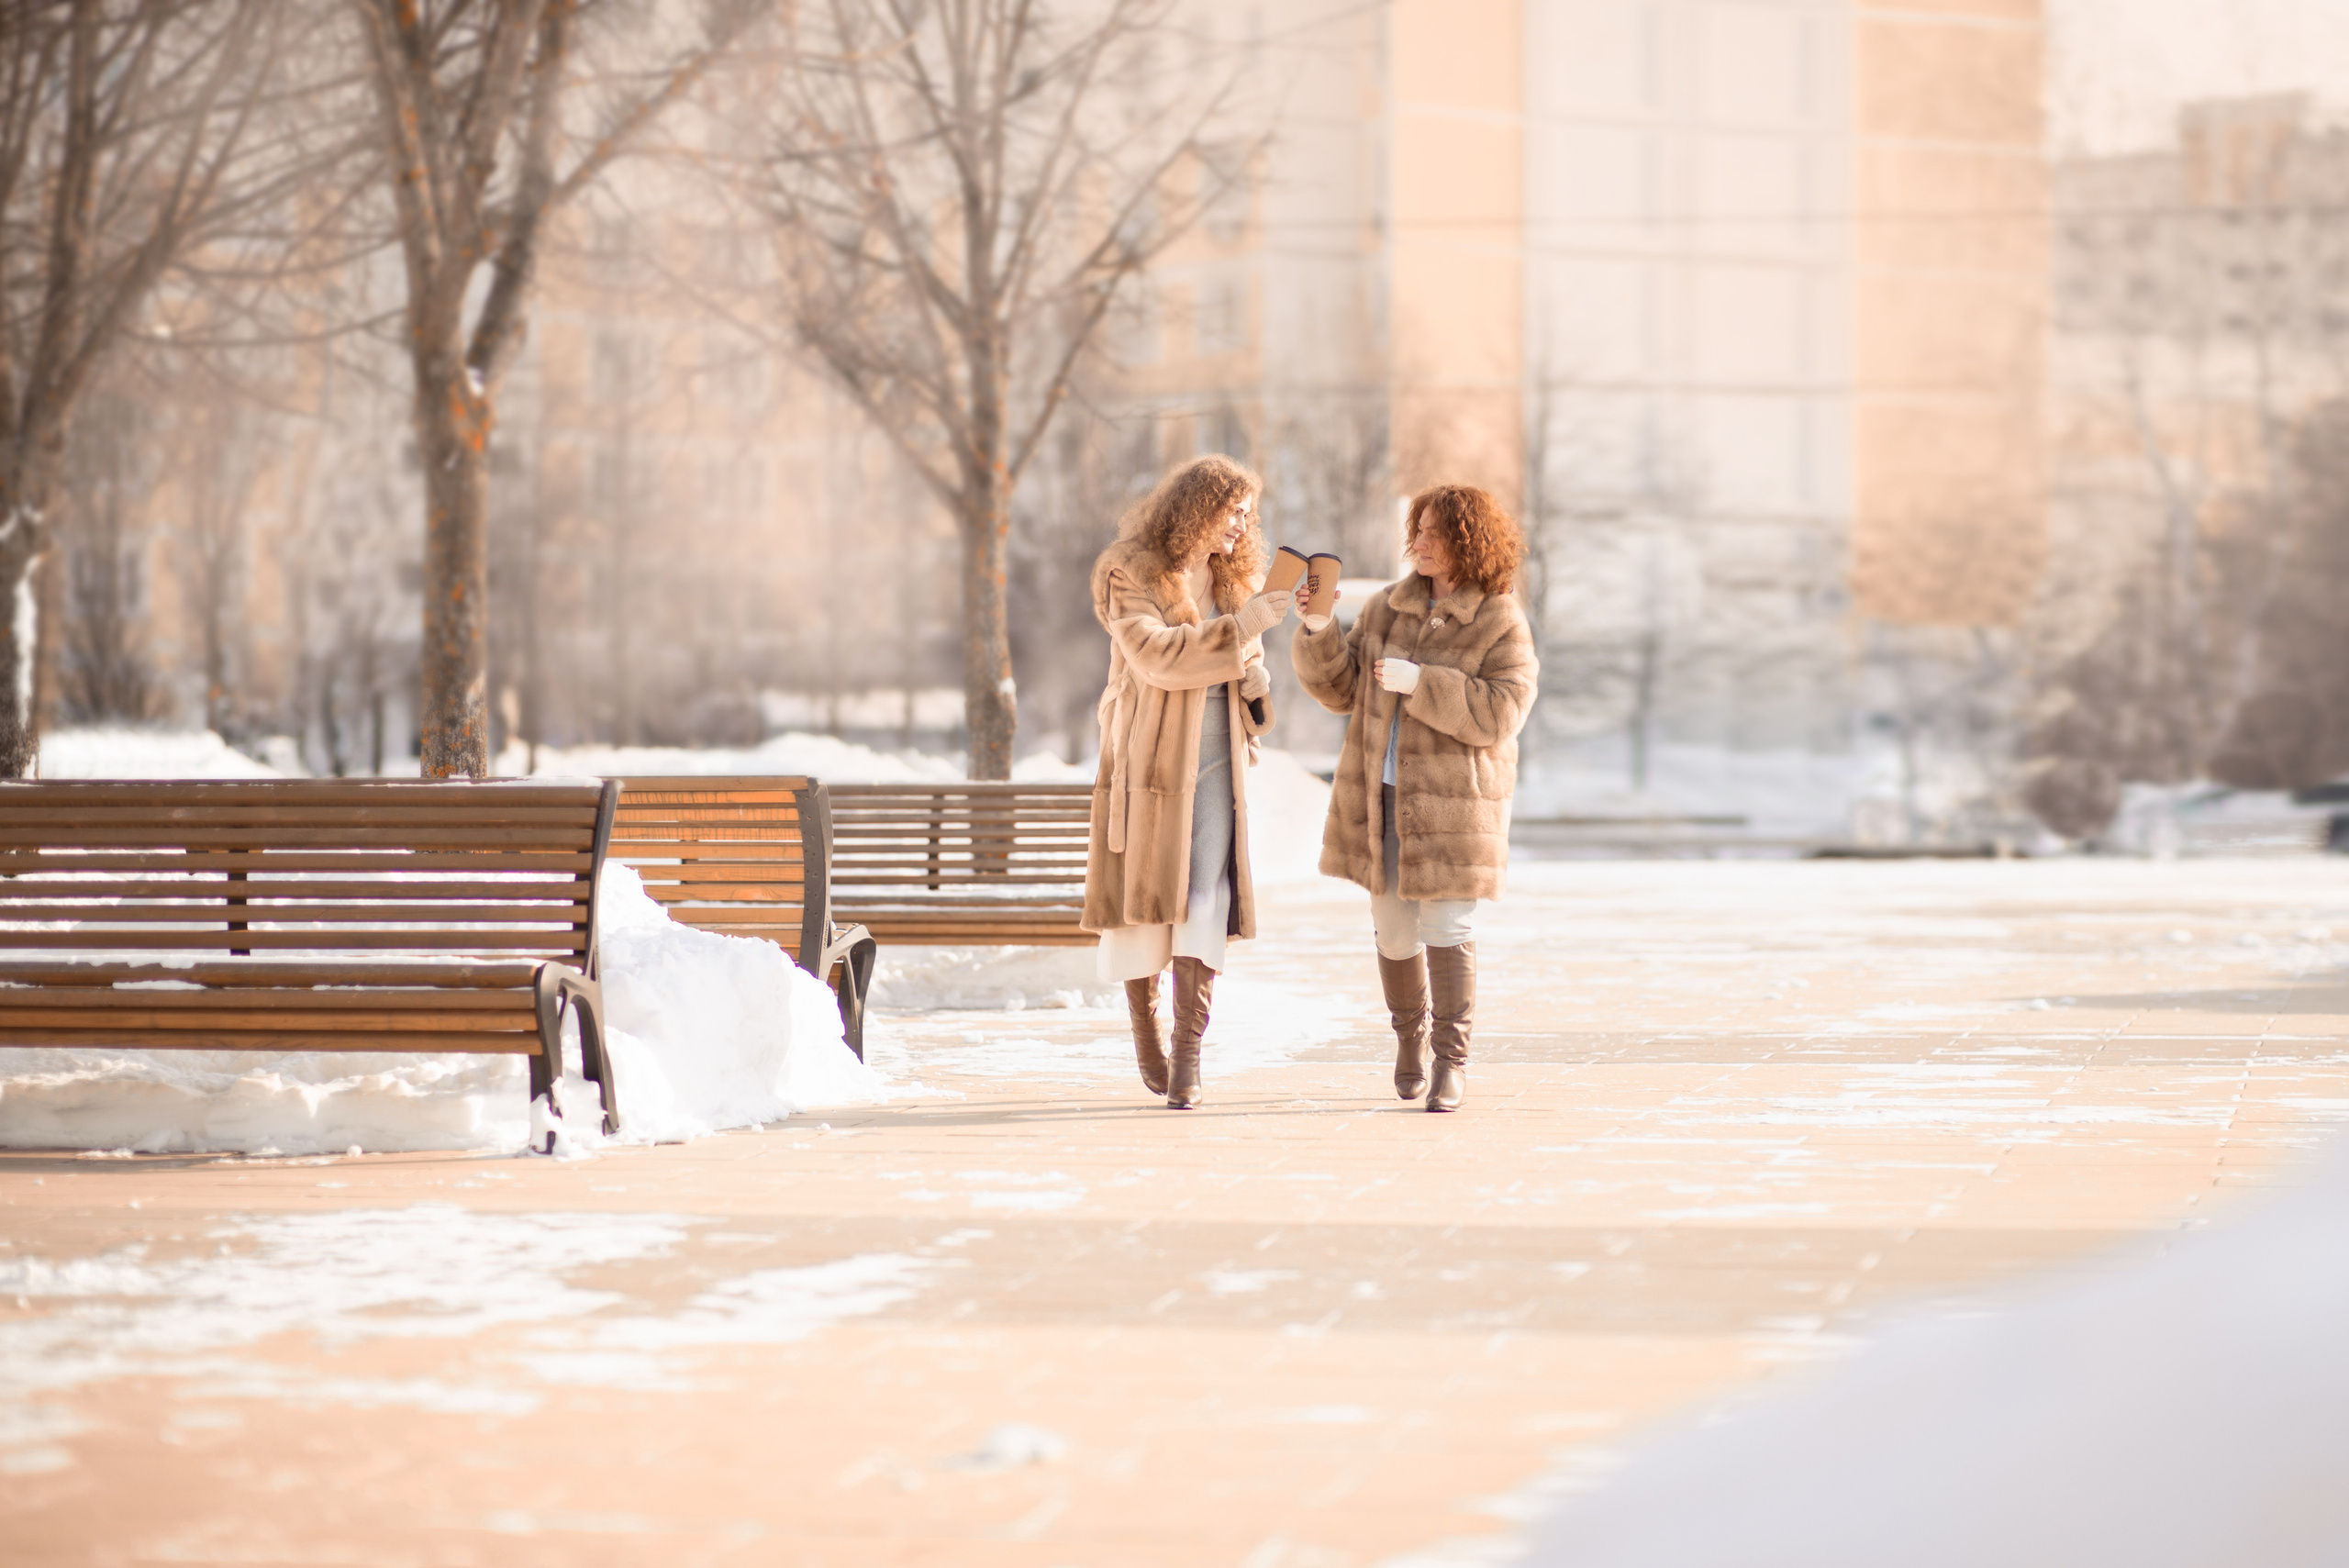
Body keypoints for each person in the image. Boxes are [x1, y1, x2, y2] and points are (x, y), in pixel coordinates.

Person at [1290, 484, 1536, 1111]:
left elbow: (1503, 711)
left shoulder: (1499, 618)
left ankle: (1451, 1064)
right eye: (1417, 529)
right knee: (1394, 931)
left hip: (1456, 806)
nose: (1419, 541)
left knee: (1447, 926)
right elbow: (1342, 688)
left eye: (1433, 531)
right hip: (1380, 797)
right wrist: (1319, 628)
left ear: (1467, 539)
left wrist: (1425, 684)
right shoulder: (1385, 608)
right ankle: (1408, 1042)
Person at [1083, 455, 1293, 1108]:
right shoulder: (1133, 572)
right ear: (1197, 507)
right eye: (1233, 511)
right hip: (1146, 765)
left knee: (1204, 901)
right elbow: (1156, 658)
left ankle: (1189, 1056)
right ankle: (1147, 1029)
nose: (1241, 526)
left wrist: (1257, 689)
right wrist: (1249, 627)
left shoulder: (1235, 587)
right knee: (1147, 904)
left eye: (1248, 516)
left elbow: (1245, 673)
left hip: (1216, 767)